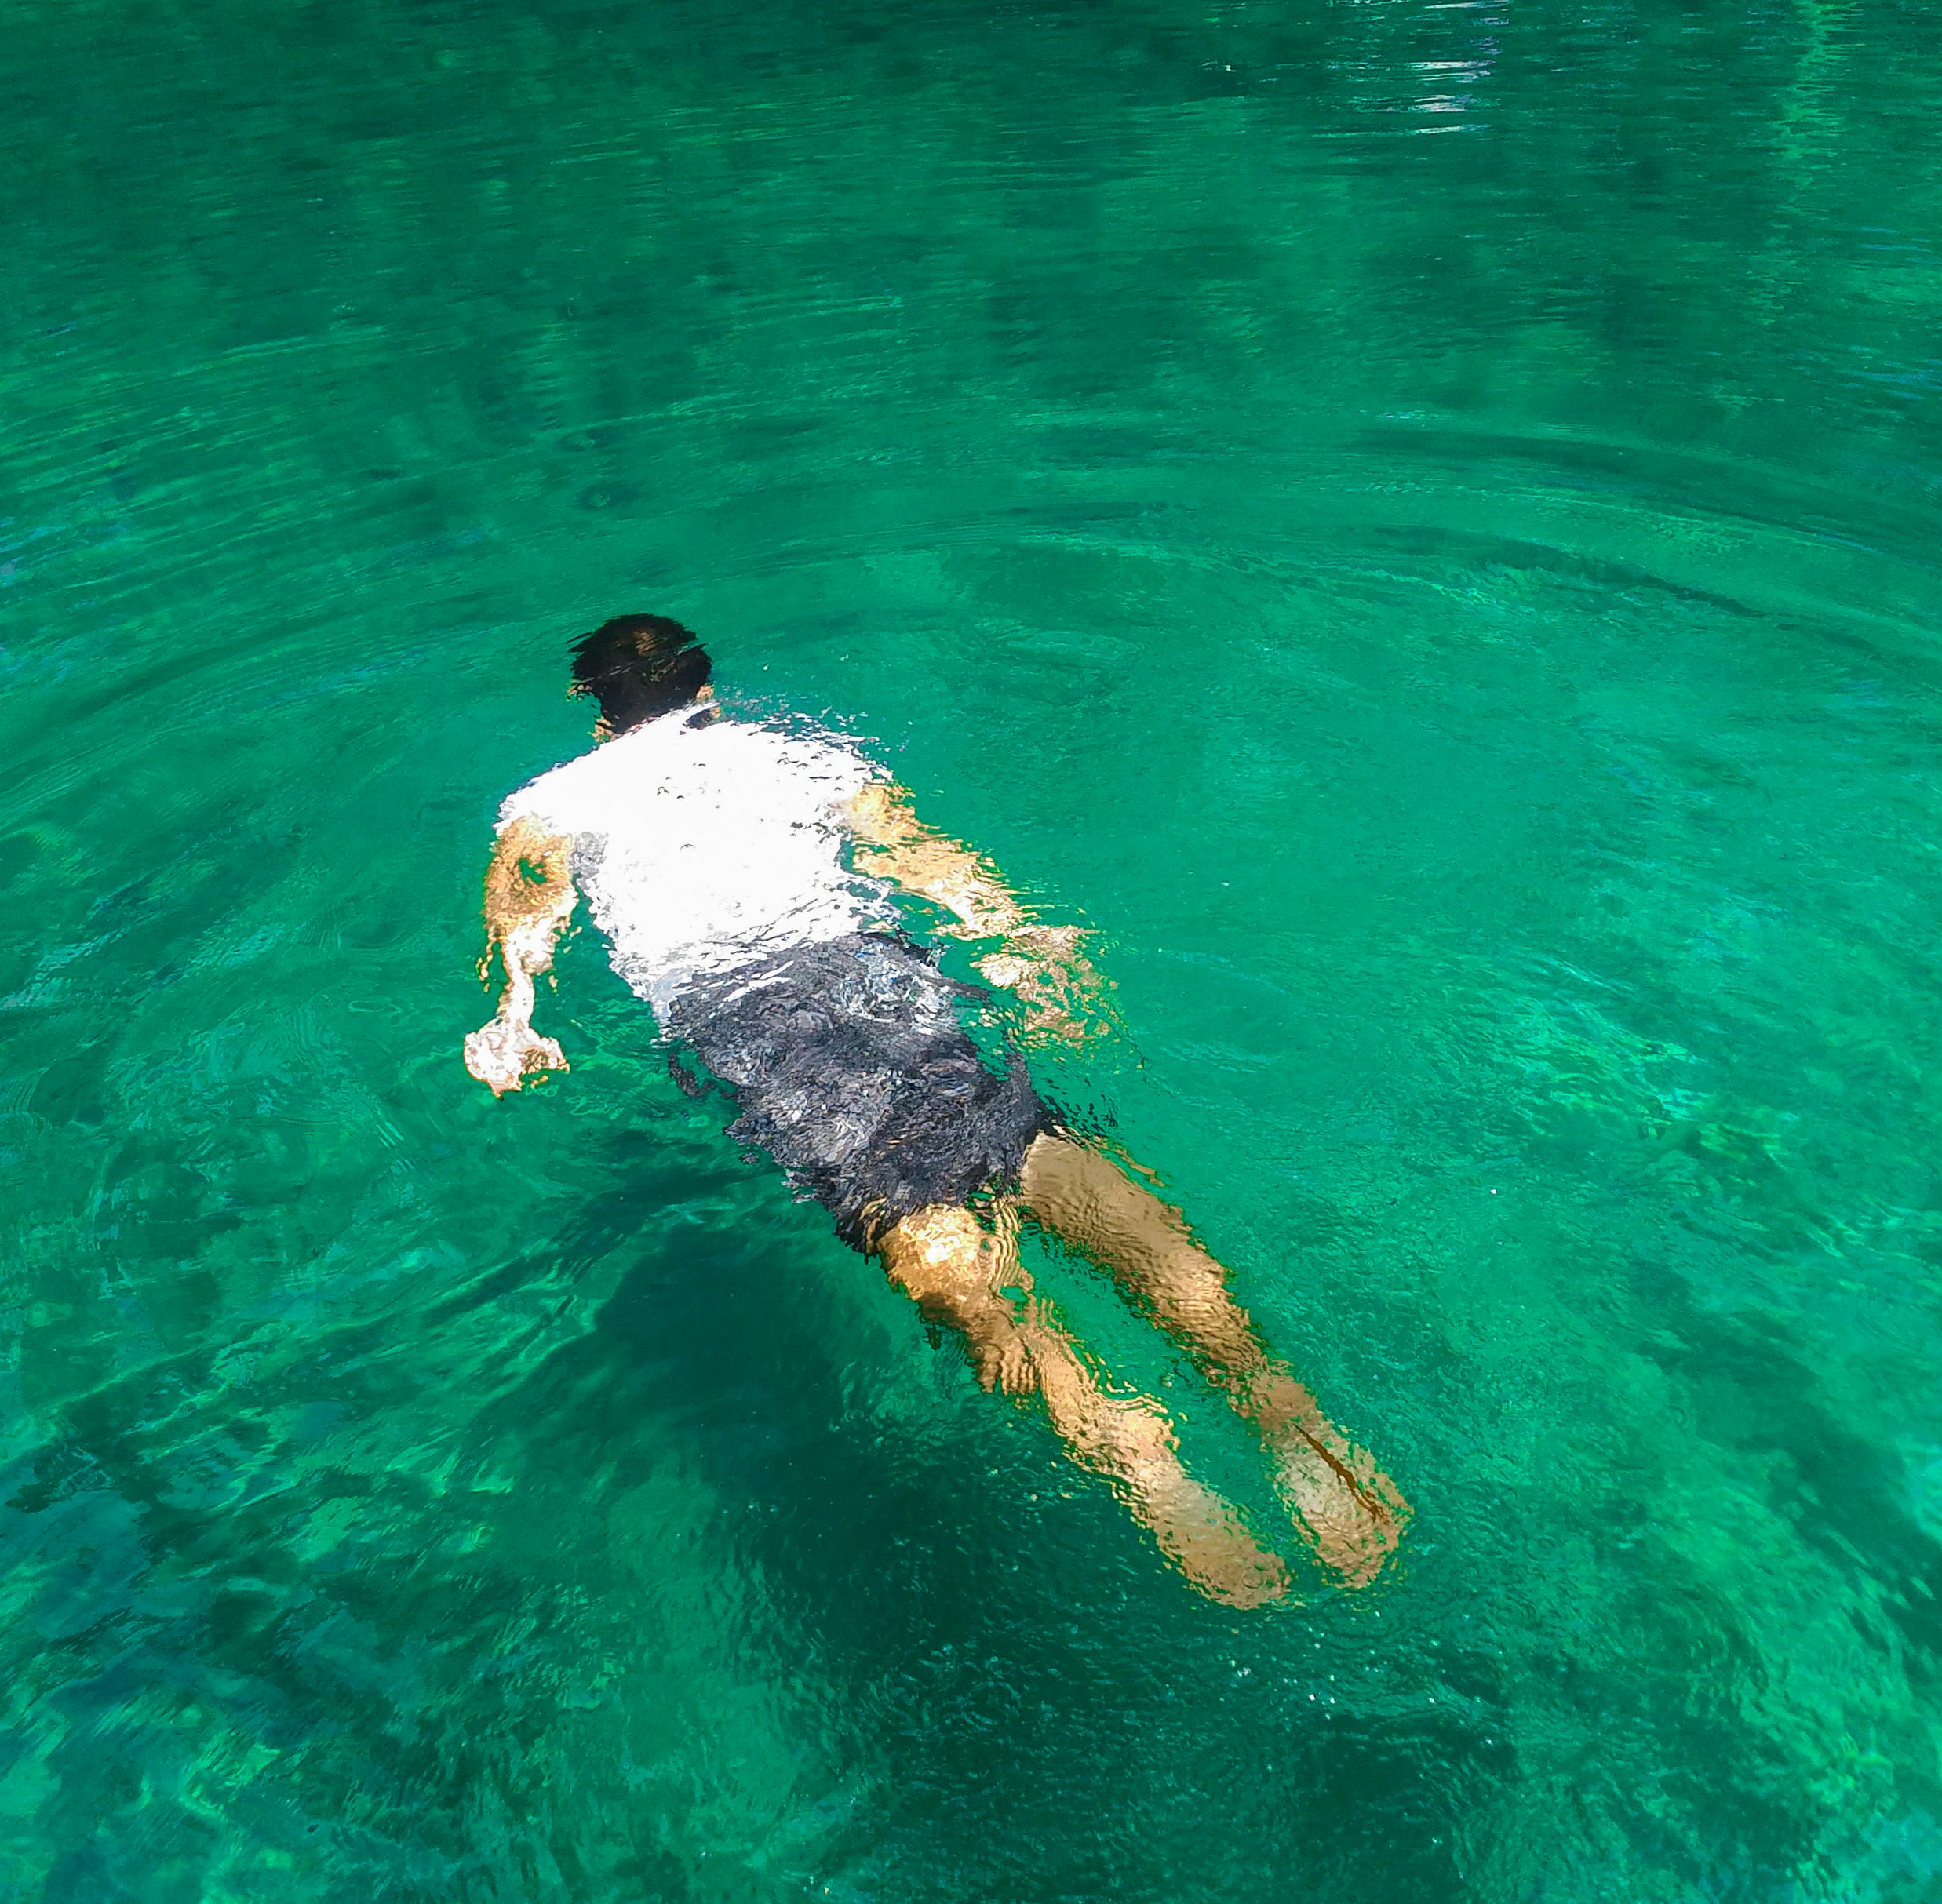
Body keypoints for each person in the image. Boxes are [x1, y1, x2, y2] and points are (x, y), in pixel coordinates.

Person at [462, 613, 1405, 1605]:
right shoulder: (798, 757)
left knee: (932, 1246)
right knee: (1034, 1153)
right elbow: (927, 860)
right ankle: (1274, 1401)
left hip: (742, 1015)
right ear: (707, 686)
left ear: (593, 708)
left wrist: (512, 1020)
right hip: (870, 970)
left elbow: (525, 922)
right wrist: (1019, 939)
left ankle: (1131, 1450)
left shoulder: (550, 803)